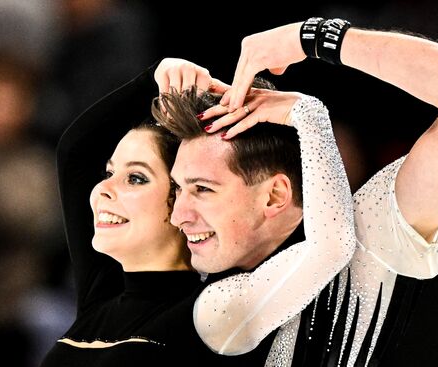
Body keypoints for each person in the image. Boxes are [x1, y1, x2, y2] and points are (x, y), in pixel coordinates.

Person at [155, 17, 438, 366]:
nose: (177, 215)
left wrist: (318, 37)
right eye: (178, 188)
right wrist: (158, 76)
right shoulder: (187, 286)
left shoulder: (373, 233)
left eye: (202, 189)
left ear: (274, 196)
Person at [39, 56, 356, 365]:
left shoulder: (211, 309)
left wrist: (308, 114)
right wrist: (157, 77)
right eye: (109, 174)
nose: (101, 190)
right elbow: (76, 154)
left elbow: (330, 246)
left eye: (136, 178)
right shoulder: (104, 290)